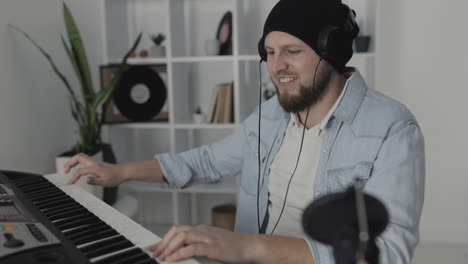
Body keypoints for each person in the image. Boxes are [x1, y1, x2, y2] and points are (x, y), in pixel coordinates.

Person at [65, 0, 425, 263]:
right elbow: (205, 162)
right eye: (268, 52)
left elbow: (390, 253)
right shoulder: (270, 115)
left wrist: (249, 247)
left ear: (332, 52)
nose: (276, 66)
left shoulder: (392, 128)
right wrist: (117, 173)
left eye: (292, 51)